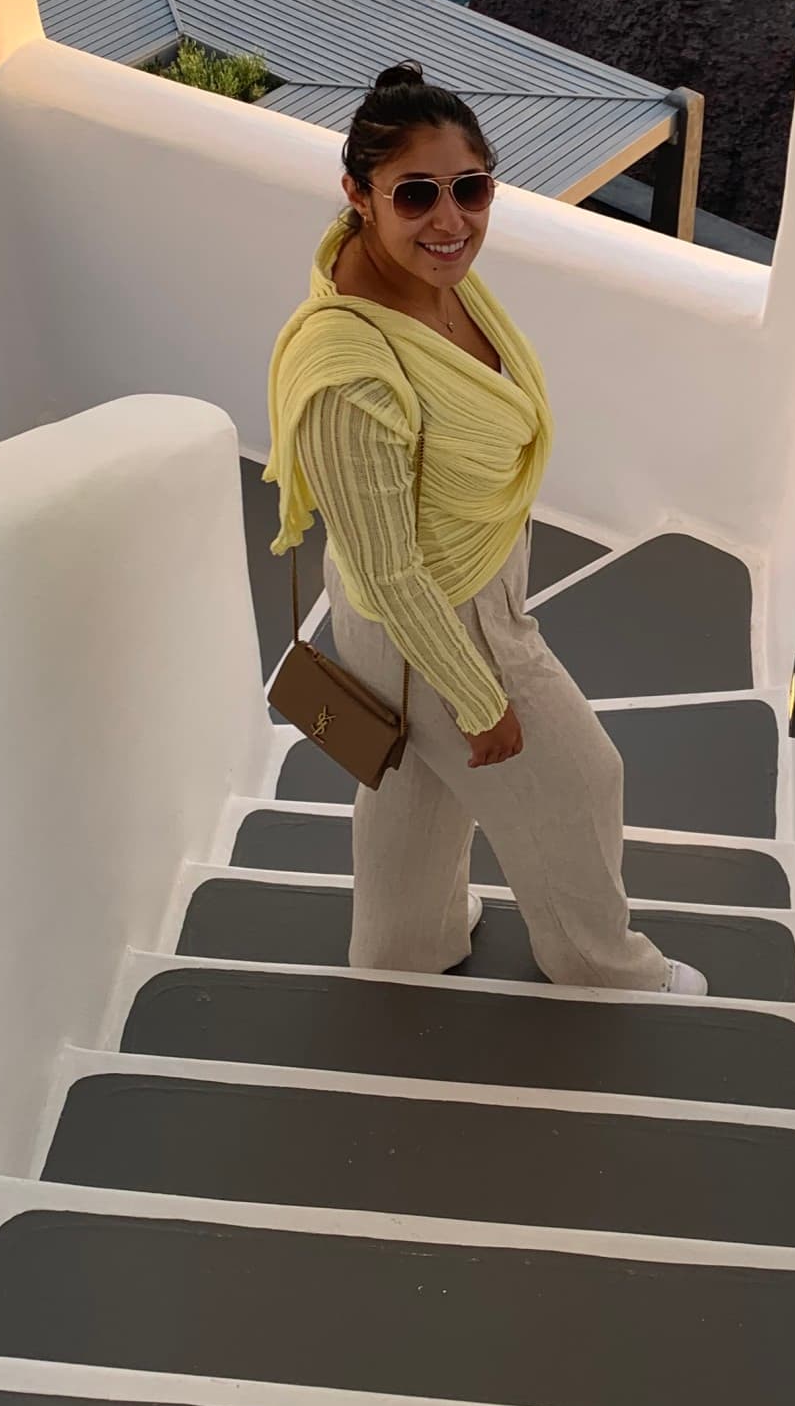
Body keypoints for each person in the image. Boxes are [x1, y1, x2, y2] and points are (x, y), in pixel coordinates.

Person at [264, 63, 706, 997]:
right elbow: (389, 570)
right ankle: (601, 967)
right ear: (358, 194)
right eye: (415, 194)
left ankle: (404, 948)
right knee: (581, 779)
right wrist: (477, 695)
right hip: (436, 623)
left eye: (470, 187)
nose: (450, 219)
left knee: (419, 789)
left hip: (452, 595)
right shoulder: (352, 375)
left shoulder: (436, 279)